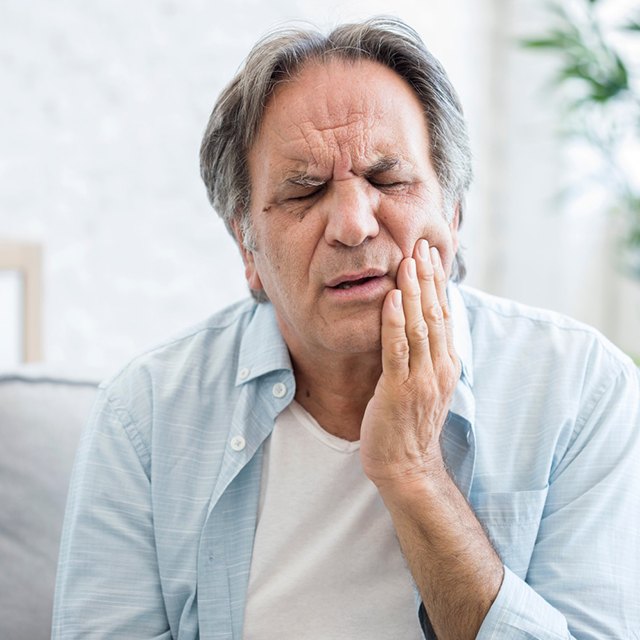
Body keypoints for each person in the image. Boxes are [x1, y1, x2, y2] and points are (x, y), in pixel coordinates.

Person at [52, 17, 639, 640]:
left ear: (454, 213)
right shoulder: (142, 416)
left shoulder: (583, 391)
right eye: (304, 192)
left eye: (389, 180)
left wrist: (413, 471)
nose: (354, 225)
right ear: (246, 248)